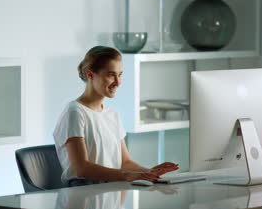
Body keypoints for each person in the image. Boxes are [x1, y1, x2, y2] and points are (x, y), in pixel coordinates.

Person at [54, 46, 179, 187]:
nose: (118, 82)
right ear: (90, 75)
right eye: (111, 75)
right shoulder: (75, 113)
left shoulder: (112, 115)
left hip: (110, 190)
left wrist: (150, 173)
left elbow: (125, 162)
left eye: (120, 75)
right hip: (83, 194)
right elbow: (82, 169)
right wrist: (128, 176)